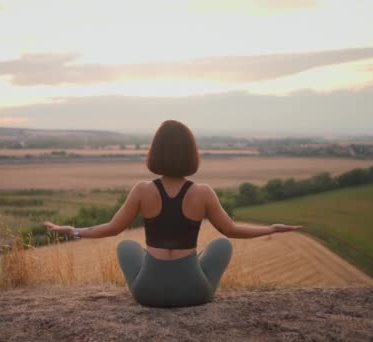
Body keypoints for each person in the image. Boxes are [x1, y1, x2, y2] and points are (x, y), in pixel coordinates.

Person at [44, 120, 302, 307]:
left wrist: (74, 231)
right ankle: (189, 268)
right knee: (221, 244)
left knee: (126, 246)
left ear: (154, 153)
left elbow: (113, 228)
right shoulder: (203, 193)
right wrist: (271, 229)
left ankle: (162, 272)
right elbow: (231, 231)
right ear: (191, 155)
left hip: (147, 294)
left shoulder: (142, 190)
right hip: (194, 293)